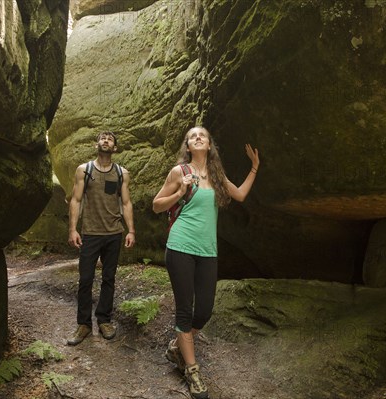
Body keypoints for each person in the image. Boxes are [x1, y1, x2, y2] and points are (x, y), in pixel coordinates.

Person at [152, 126, 259, 399]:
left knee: (205, 310)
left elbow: (240, 195)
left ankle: (177, 345)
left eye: (203, 136)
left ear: (210, 145)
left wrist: (254, 167)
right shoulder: (180, 172)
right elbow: (156, 204)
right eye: (193, 136)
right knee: (185, 310)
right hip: (180, 246)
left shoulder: (216, 175)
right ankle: (192, 371)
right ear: (188, 146)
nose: (198, 138)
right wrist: (179, 193)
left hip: (207, 250)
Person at [67, 131, 136, 345]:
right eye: (102, 138)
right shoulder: (84, 170)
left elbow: (125, 203)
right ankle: (84, 324)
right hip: (90, 233)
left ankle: (104, 320)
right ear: (96, 144)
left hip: (113, 234)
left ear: (115, 147)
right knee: (85, 279)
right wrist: (73, 229)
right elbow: (76, 200)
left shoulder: (121, 173)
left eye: (110, 139)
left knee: (109, 278)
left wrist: (131, 230)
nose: (105, 140)